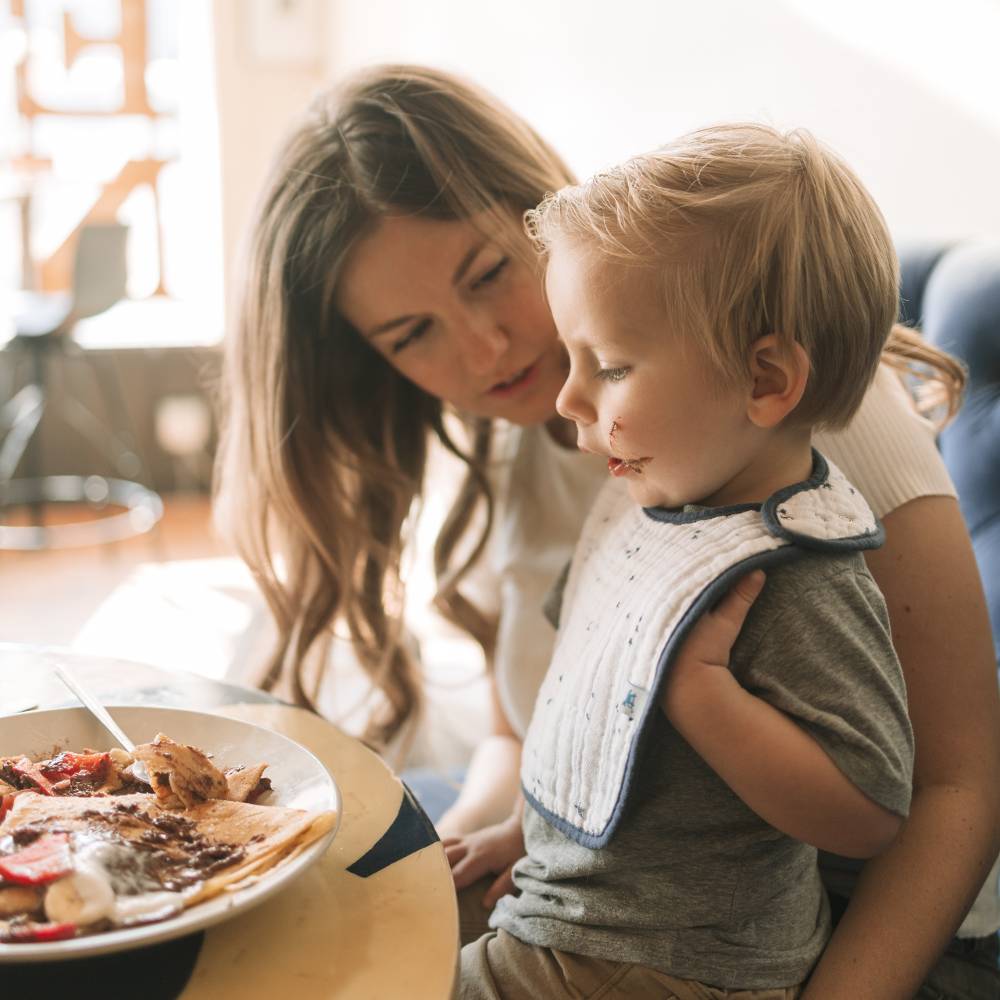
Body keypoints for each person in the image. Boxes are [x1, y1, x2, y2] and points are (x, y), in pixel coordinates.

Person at [214, 65, 1000, 998]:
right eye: (411, 334)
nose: (485, 350)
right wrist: (464, 855)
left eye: (490, 275)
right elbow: (525, 725)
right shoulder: (543, 440)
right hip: (593, 907)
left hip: (852, 940)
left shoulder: (792, 423)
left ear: (536, 214)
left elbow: (959, 789)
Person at [455, 121, 921, 997]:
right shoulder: (653, 515)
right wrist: (524, 829)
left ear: (765, 380)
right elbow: (594, 718)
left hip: (664, 967)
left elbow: (869, 813)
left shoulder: (787, 572)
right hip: (574, 921)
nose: (566, 396)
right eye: (571, 358)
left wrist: (705, 696)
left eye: (611, 366)